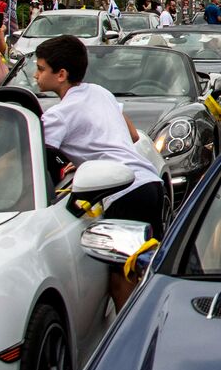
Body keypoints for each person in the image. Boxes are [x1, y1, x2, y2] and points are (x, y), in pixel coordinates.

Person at [34, 35, 163, 308]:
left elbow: (35, 155)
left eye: (41, 68)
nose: (36, 75)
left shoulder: (59, 115)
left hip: (125, 193)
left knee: (122, 279)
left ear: (61, 74)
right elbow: (131, 135)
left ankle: (127, 342)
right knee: (147, 272)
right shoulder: (99, 92)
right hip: (149, 183)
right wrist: (90, 157)